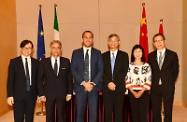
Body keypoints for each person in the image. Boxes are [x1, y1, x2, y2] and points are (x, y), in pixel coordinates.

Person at [71, 30, 103, 122]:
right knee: (79, 115)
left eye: (90, 37)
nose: (88, 39)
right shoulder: (76, 53)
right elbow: (73, 69)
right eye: (86, 37)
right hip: (80, 88)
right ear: (82, 39)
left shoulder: (98, 53)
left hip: (94, 88)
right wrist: (84, 83)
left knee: (93, 115)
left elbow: (101, 70)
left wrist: (92, 83)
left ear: (92, 39)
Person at [37, 40, 73, 122]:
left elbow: (69, 79)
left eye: (58, 48)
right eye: (54, 48)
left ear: (61, 49)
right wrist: (41, 94)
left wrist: (69, 93)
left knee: (61, 116)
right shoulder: (43, 62)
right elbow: (39, 80)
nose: (56, 50)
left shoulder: (66, 61)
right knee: (49, 116)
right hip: (48, 94)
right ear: (50, 49)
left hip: (62, 93)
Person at [148, 33, 179, 122]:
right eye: (156, 41)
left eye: (160, 40)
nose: (159, 43)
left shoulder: (172, 55)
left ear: (164, 41)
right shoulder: (151, 56)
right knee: (156, 110)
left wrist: (169, 81)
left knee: (168, 110)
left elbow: (175, 71)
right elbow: (149, 71)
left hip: (168, 86)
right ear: (153, 44)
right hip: (155, 86)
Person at [6, 40, 39, 122]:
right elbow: (10, 80)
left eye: (30, 48)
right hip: (18, 95)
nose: (28, 50)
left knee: (30, 118)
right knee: (18, 118)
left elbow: (38, 80)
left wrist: (39, 94)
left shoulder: (36, 63)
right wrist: (9, 95)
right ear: (21, 48)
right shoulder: (14, 62)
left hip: (31, 95)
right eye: (26, 48)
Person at [102, 33, 129, 122]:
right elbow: (101, 71)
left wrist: (115, 83)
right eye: (111, 40)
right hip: (106, 88)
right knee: (107, 113)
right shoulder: (103, 56)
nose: (113, 42)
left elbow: (124, 71)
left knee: (118, 113)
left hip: (119, 88)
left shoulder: (124, 55)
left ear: (119, 42)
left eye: (115, 40)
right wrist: (109, 83)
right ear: (108, 42)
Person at [125, 44, 151, 122]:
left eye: (139, 51)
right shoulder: (129, 66)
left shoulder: (147, 66)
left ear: (142, 53)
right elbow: (127, 80)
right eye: (135, 51)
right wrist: (133, 92)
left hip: (144, 92)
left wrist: (141, 91)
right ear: (133, 53)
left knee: (143, 114)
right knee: (135, 114)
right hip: (132, 92)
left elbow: (148, 80)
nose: (138, 53)